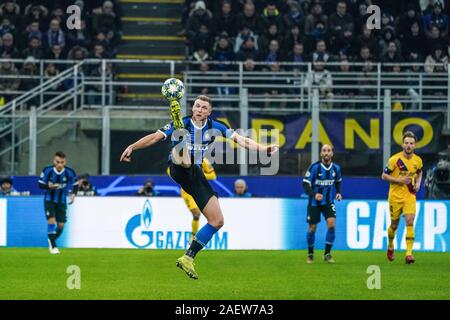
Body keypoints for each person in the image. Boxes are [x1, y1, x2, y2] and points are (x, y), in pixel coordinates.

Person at [120, 95, 278, 279]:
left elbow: (242, 140)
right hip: (178, 167)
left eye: (204, 107)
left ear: (209, 112)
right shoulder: (185, 122)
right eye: (197, 106)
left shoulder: (216, 126)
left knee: (217, 220)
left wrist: (263, 149)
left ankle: (188, 258)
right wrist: (132, 146)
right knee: (183, 149)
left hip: (195, 174)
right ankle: (180, 138)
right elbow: (155, 137)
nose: (199, 109)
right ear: (192, 108)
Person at [381, 131, 423, 264]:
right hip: (395, 196)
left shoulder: (418, 160)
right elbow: (384, 176)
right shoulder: (395, 160)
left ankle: (409, 254)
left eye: (411, 143)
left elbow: (419, 172)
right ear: (402, 144)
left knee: (410, 221)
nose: (409, 146)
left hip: (409, 196)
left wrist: (417, 184)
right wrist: (399, 180)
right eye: (406, 143)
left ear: (414, 145)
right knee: (394, 225)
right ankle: (390, 245)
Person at [302, 144, 342, 264]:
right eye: (324, 150)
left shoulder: (336, 168)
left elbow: (338, 182)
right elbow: (305, 184)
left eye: (329, 150)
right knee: (312, 228)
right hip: (314, 202)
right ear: (321, 153)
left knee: (331, 225)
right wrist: (314, 194)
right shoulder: (314, 167)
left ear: (332, 154)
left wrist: (339, 193)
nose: (326, 153)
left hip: (328, 201)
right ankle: (310, 254)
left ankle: (327, 254)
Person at [38, 151, 77, 255]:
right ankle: (54, 247)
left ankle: (51, 240)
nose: (59, 164)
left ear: (65, 162)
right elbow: (40, 184)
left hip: (62, 201)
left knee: (61, 226)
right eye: (57, 162)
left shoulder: (69, 171)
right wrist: (48, 186)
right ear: (54, 161)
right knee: (51, 221)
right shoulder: (47, 170)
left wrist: (73, 194)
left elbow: (75, 184)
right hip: (49, 200)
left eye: (62, 162)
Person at [169, 158, 217, 241]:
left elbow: (213, 176)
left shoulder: (204, 160)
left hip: (200, 189)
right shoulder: (179, 159)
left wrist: (197, 175)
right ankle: (193, 237)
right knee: (196, 214)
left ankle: (199, 236)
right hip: (186, 190)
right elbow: (170, 172)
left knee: (208, 216)